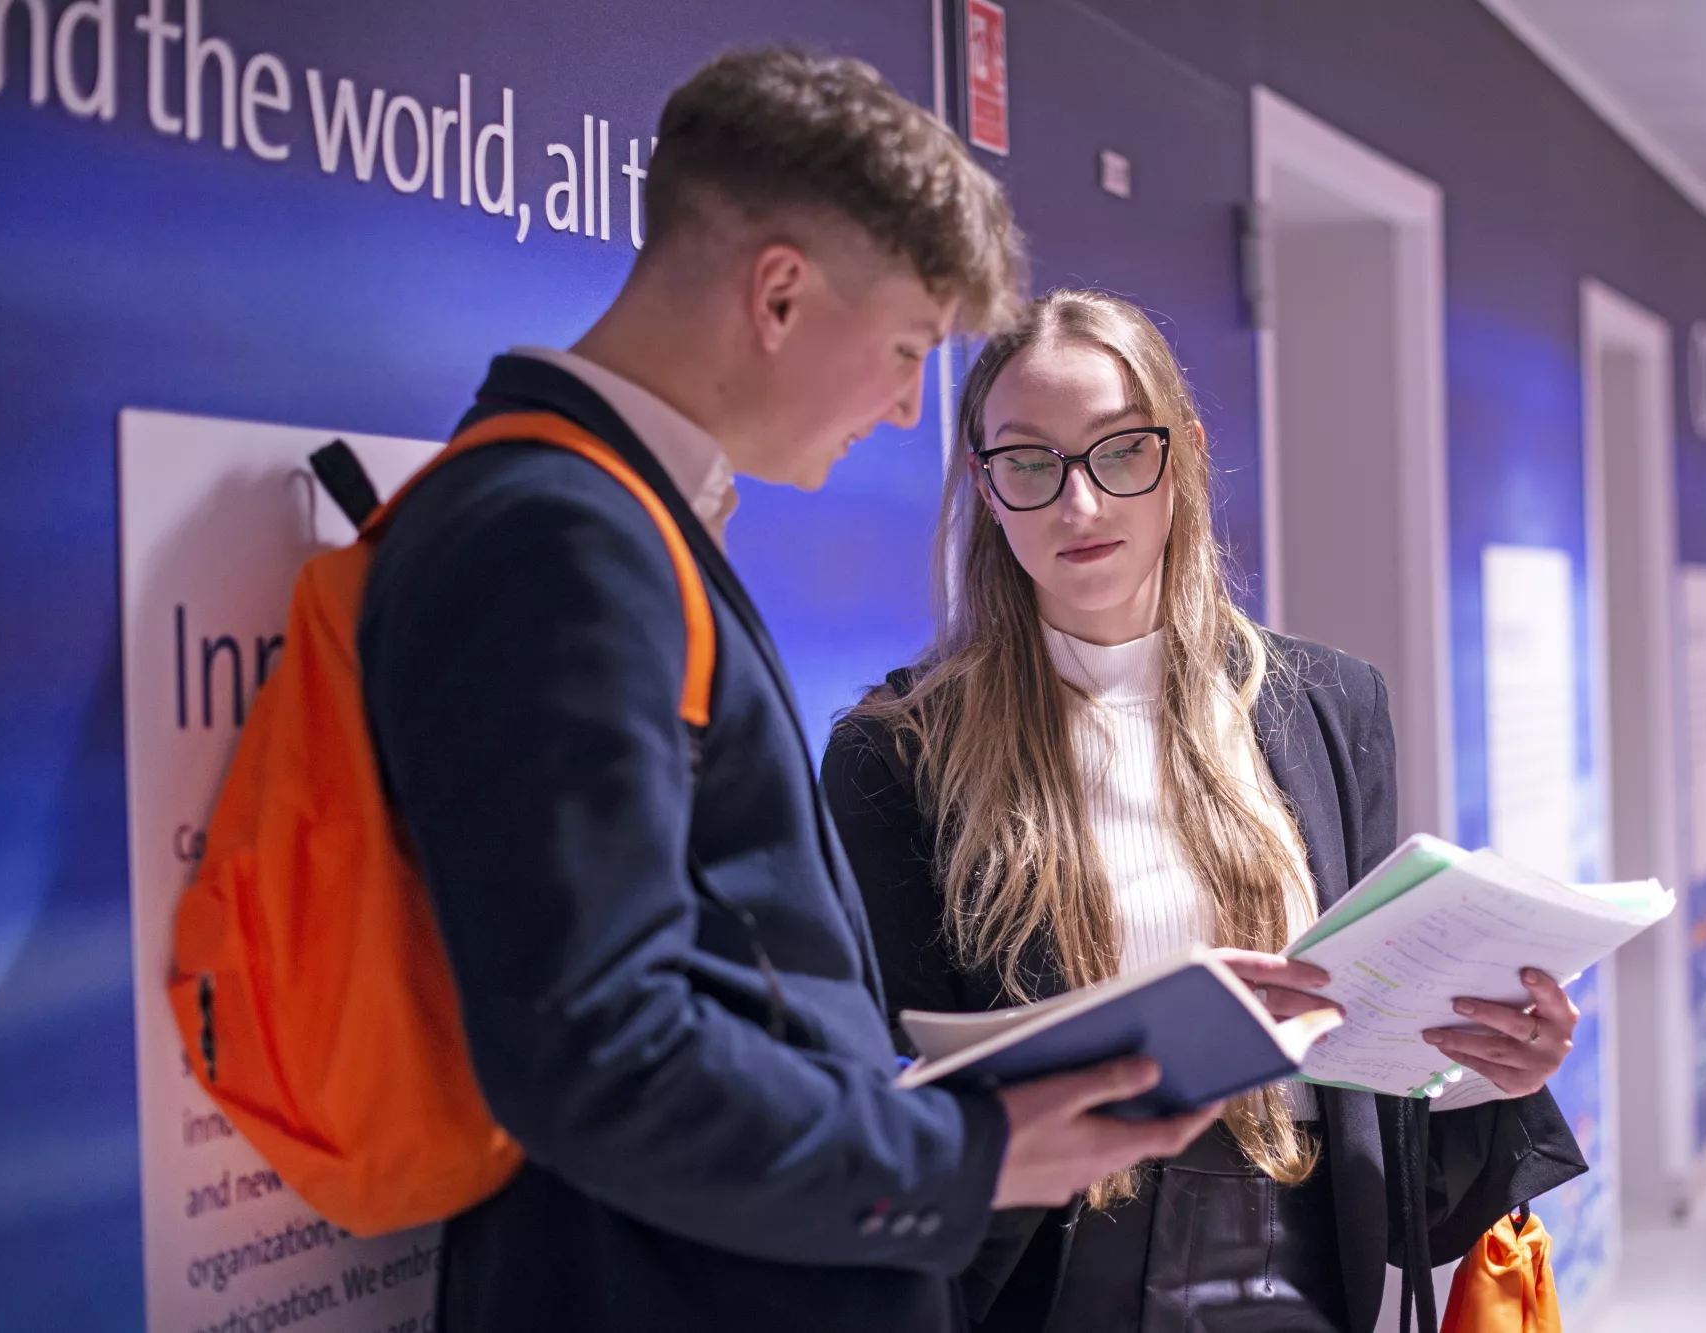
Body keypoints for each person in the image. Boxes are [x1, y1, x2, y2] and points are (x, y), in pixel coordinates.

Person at [359, 54, 1223, 1333]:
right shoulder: (556, 538)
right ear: (777, 294)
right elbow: (596, 1057)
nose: (898, 407)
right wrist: (964, 1155)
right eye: (904, 350)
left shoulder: (603, 518)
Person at [821, 289, 1590, 1333]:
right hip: (1043, 1284)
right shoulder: (897, 753)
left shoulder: (1327, 702)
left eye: (1115, 451)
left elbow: (1369, 1047)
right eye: (1029, 463)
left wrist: (1485, 1065)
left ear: (1178, 454)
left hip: (1303, 1255)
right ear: (984, 486)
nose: (1077, 506)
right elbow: (889, 1087)